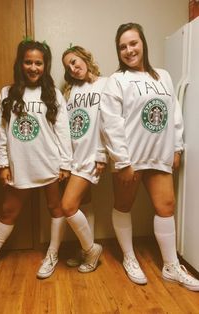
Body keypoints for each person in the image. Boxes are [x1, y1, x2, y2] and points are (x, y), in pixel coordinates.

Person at [96, 22, 199, 291]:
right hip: (131, 158)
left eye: (133, 43)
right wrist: (122, 161)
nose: (129, 50)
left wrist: (177, 147)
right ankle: (129, 258)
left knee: (166, 207)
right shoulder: (116, 81)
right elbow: (111, 123)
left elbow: (174, 113)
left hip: (159, 154)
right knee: (123, 206)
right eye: (123, 46)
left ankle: (171, 266)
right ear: (118, 51)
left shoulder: (162, 76)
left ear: (143, 43)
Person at [0, 39, 72, 280]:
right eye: (28, 62)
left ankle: (52, 254)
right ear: (20, 64)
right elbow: (1, 132)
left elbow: (63, 131)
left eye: (38, 63)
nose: (33, 67)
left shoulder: (52, 94)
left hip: (49, 162)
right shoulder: (7, 93)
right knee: (8, 210)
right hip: (20, 163)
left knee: (55, 208)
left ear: (45, 66)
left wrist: (65, 163)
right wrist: (2, 163)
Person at [60, 45, 107, 272]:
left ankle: (91, 250)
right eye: (68, 66)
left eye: (75, 61)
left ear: (86, 58)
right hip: (74, 155)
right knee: (84, 203)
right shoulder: (72, 91)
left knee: (67, 206)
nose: (73, 67)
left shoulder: (105, 84)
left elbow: (109, 122)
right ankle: (84, 248)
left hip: (91, 154)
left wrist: (102, 154)